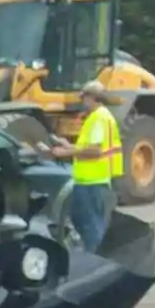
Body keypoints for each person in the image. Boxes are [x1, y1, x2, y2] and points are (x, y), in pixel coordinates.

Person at [47, 81, 123, 254]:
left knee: (91, 228)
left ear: (92, 98)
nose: (82, 102)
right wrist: (68, 145)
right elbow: (91, 148)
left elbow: (94, 151)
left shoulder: (98, 118)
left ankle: (95, 264)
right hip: (94, 182)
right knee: (86, 222)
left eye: (84, 98)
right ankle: (98, 260)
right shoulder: (103, 116)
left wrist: (66, 152)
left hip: (92, 183)